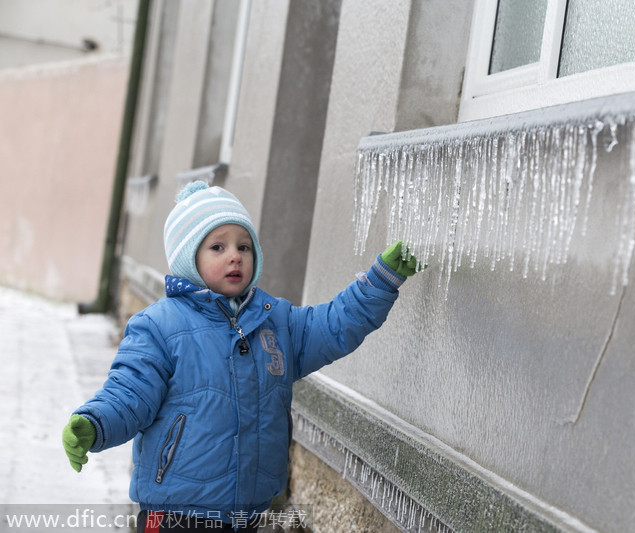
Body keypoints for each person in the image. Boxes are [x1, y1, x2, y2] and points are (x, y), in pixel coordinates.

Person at [61, 181, 420, 532]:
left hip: (247, 516)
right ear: (189, 259)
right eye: (217, 247)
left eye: (244, 246)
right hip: (175, 515)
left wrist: (379, 281)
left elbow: (334, 325)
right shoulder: (159, 326)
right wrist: (95, 422)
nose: (235, 255)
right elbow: (129, 393)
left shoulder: (276, 322)